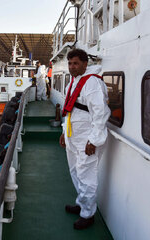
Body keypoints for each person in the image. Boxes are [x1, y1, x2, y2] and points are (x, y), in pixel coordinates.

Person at [59, 48, 110, 230]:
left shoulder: (92, 84)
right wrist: (65, 133)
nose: (72, 67)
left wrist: (94, 140)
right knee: (75, 172)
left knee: (86, 176)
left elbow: (101, 113)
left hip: (87, 139)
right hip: (73, 137)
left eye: (76, 63)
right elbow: (69, 110)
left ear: (85, 64)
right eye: (70, 63)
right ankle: (81, 203)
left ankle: (87, 215)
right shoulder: (73, 82)